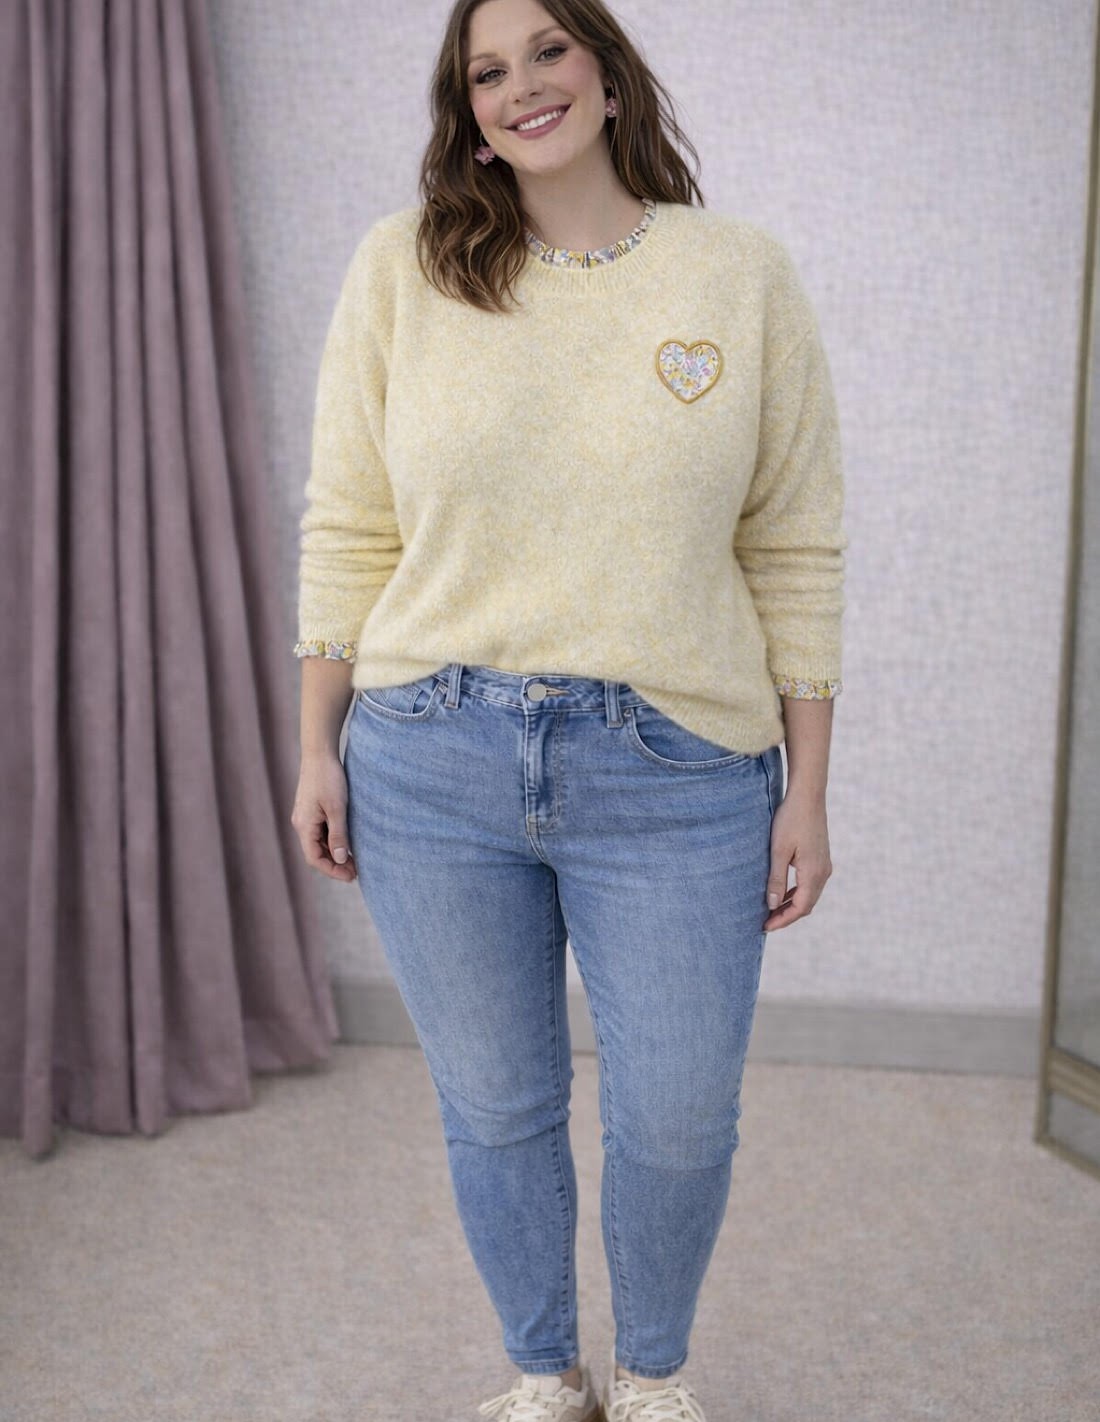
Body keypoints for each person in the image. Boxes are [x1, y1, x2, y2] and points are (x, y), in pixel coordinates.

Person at [291, 0, 847, 1417]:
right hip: (430, 751)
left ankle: (651, 1377)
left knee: (679, 1115)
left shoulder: (739, 275)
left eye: (546, 50)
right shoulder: (405, 268)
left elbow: (792, 543)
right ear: (467, 113)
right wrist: (315, 745)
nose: (521, 87)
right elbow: (349, 523)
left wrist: (808, 786)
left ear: (605, 71)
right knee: (495, 1105)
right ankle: (545, 1374)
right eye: (487, 72)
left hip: (679, 764)